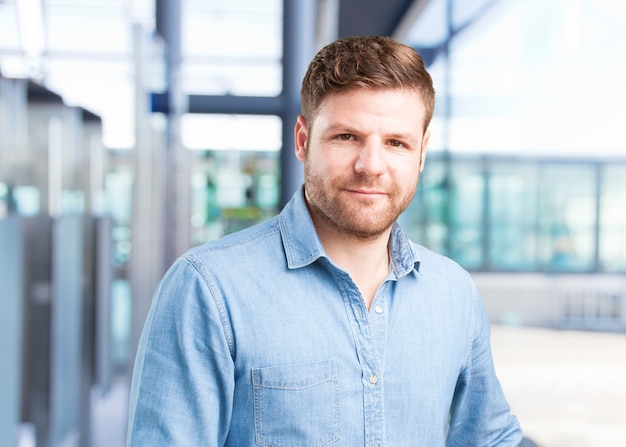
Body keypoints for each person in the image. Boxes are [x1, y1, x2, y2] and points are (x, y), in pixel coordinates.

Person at [126, 35, 523, 446]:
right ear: (302, 140)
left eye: (395, 143)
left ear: (421, 153)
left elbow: (491, 437)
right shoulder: (208, 289)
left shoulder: (453, 292)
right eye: (346, 137)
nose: (371, 166)